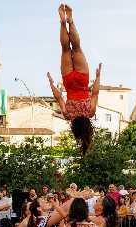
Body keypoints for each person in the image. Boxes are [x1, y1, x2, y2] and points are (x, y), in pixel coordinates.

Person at [47, 4, 102, 154]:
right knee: (65, 48)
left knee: (76, 47)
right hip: (69, 82)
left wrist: (98, 77)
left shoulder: (90, 112)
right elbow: (58, 98)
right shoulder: (68, 116)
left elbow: (95, 93)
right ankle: (62, 21)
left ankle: (70, 20)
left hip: (83, 80)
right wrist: (52, 84)